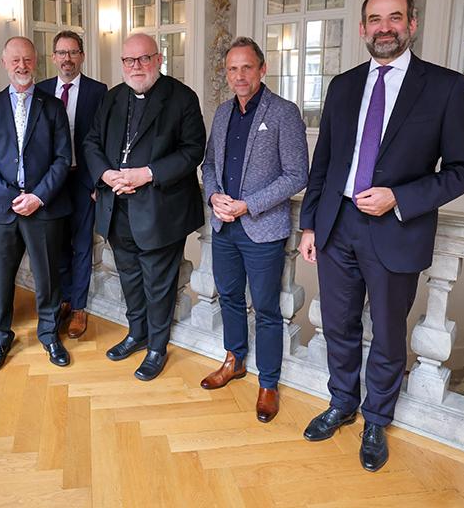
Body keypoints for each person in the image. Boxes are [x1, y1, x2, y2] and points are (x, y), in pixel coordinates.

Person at [298, 0, 464, 472]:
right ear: (362, 29)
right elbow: (325, 162)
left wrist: (400, 197)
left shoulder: (445, 87)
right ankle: (342, 402)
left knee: (386, 333)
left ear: (411, 24)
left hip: (396, 230)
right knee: (337, 324)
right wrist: (311, 224)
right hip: (337, 226)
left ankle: (377, 418)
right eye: (375, 20)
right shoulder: (343, 84)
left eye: (394, 18)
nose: (384, 27)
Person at [84, 33, 206, 381]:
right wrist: (106, 174)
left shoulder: (181, 98)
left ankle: (156, 346)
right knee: (130, 278)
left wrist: (146, 174)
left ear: (158, 59)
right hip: (117, 206)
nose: (136, 66)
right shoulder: (113, 97)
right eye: (129, 60)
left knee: (158, 283)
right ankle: (137, 333)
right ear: (122, 63)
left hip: (159, 209)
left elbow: (192, 150)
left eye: (143, 59)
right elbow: (92, 141)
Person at [200, 37, 309, 422]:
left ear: (263, 70)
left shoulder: (284, 112)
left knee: (265, 308)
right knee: (228, 296)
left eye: (247, 67)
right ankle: (234, 360)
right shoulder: (223, 113)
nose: (239, 75)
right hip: (224, 224)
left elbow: (298, 174)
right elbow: (209, 164)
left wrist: (250, 204)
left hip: (262, 228)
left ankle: (268, 383)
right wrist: (213, 197)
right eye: (232, 69)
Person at [0, 36, 72, 373]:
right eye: (15, 59)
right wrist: (9, 196)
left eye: (27, 59)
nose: (21, 66)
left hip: (43, 207)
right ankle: (0, 337)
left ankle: (49, 334)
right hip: (1, 210)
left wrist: (37, 196)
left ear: (36, 62)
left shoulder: (53, 106)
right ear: (4, 63)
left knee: (47, 278)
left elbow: (62, 158)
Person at [35, 31, 107, 339]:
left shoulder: (98, 91)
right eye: (62, 53)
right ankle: (63, 298)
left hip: (82, 179)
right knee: (56, 243)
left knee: (81, 245)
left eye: (73, 52)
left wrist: (97, 182)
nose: (67, 58)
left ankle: (79, 306)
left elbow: (104, 140)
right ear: (53, 57)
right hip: (51, 179)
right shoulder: (40, 90)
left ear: (82, 56)